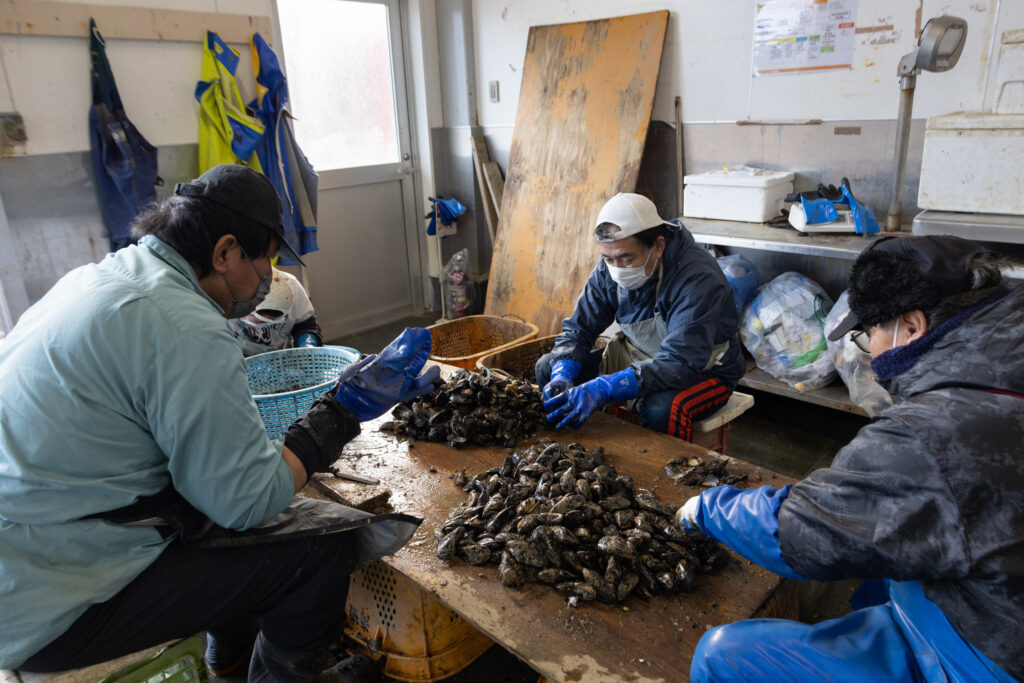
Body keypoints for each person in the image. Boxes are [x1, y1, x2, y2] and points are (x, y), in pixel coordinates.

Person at [0, 164, 440, 682]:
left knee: (219, 521)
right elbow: (245, 501)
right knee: (317, 549)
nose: (267, 280)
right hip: (47, 599)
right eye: (266, 261)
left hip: (34, 551)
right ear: (225, 251)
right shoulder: (182, 324)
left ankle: (228, 664)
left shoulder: (100, 278)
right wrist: (343, 409)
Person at [676, 235, 1023, 682]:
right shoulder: (1000, 354)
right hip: (994, 588)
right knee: (879, 580)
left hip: (986, 653)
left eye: (867, 334)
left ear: (912, 327)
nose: (868, 350)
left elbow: (801, 530)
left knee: (722, 655)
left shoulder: (930, 433)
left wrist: (709, 508)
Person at [537, 192, 745, 438]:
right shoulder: (609, 269)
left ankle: (664, 471)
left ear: (658, 246)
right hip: (639, 355)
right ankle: (581, 457)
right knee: (546, 368)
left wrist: (606, 387)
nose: (616, 268)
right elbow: (579, 328)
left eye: (626, 259)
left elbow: (680, 362)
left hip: (704, 368)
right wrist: (563, 372)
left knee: (663, 409)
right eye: (608, 258)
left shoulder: (696, 278)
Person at [228, 266, 323, 356]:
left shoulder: (292, 285)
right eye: (260, 322)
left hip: (285, 360)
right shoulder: (221, 304)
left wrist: (307, 346)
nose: (265, 325)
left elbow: (306, 326)